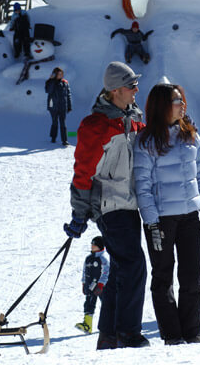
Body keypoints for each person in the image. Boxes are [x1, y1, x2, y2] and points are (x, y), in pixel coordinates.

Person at [63, 61, 148, 350]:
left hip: (131, 203)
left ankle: (109, 335)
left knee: (123, 269)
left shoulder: (135, 119)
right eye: (132, 85)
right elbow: (83, 172)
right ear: (115, 90)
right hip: (110, 205)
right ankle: (128, 333)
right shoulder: (96, 125)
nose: (137, 90)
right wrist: (79, 213)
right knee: (134, 264)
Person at [133, 83, 200, 345]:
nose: (182, 105)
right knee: (162, 278)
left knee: (192, 277)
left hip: (190, 216)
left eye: (182, 99)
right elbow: (142, 186)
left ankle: (193, 333)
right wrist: (152, 223)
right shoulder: (146, 141)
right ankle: (172, 336)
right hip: (162, 220)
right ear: (162, 106)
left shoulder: (191, 135)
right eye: (176, 101)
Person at [75, 236, 110, 335]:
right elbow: (84, 271)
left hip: (100, 287)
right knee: (89, 304)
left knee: (107, 304)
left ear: (100, 247)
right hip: (90, 286)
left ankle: (111, 322)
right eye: (92, 244)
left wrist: (101, 284)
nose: (92, 246)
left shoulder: (102, 259)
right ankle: (87, 325)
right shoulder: (88, 258)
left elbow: (106, 272)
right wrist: (83, 283)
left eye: (94, 245)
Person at [45, 67, 72, 145]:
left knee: (63, 123)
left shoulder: (65, 82)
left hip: (63, 106)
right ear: (55, 74)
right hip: (52, 106)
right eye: (58, 74)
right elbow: (48, 91)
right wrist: (51, 80)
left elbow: (68, 95)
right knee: (55, 122)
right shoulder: (50, 82)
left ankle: (64, 140)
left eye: (61, 74)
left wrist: (69, 106)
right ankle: (53, 137)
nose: (60, 75)